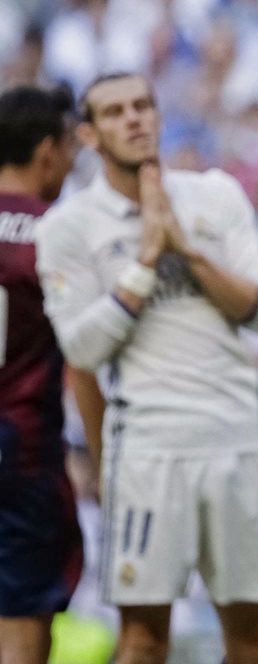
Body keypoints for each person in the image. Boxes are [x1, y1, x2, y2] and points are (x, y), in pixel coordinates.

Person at [34, 72, 258, 664]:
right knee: (144, 641)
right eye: (116, 111)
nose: (135, 118)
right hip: (147, 450)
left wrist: (186, 251)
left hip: (235, 439)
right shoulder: (67, 228)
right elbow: (81, 349)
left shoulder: (215, 196)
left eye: (144, 105)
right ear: (89, 135)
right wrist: (146, 261)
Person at [0, 85, 82, 664]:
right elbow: (89, 357)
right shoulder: (57, 235)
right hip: (23, 456)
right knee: (23, 628)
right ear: (48, 151)